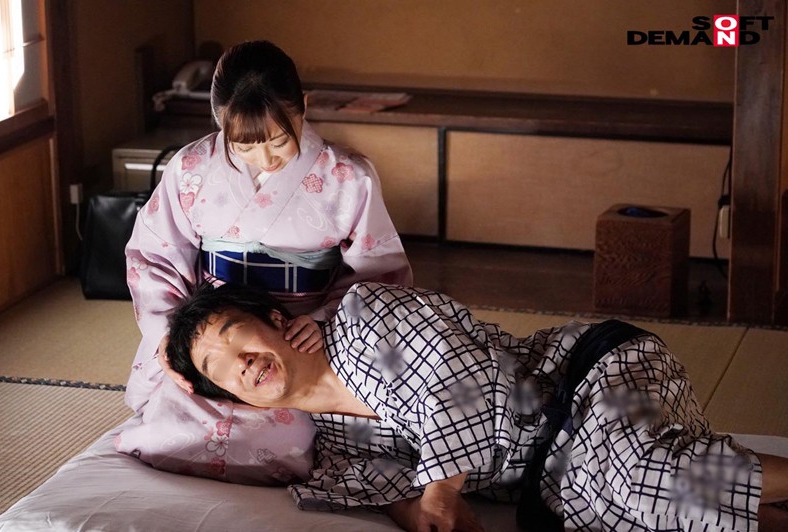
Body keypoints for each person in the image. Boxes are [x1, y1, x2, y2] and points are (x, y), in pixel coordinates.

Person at [164, 281, 788, 532]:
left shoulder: (365, 317)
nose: (238, 362)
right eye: (218, 370)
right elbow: (422, 509)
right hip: (563, 477)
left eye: (234, 336)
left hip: (588, 376)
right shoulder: (335, 452)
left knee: (639, 477)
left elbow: (457, 385)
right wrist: (429, 512)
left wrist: (439, 490)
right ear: (235, 397)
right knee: (630, 516)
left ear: (276, 321)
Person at [124, 40, 412, 413]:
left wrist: (325, 320)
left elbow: (380, 273)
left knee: (333, 410)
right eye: (243, 147)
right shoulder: (191, 167)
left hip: (304, 333)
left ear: (303, 106)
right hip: (218, 340)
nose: (265, 159)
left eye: (279, 141)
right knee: (176, 414)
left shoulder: (348, 176)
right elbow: (155, 252)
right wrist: (170, 333)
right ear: (218, 118)